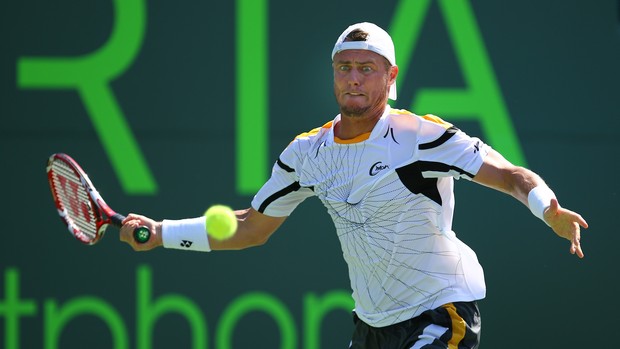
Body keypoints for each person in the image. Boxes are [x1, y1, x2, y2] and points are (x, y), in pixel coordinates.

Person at [120, 22, 588, 349]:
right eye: (345, 68)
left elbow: (509, 176)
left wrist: (548, 209)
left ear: (390, 76)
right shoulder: (307, 153)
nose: (354, 79)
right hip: (371, 327)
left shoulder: (419, 137)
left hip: (441, 312)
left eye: (367, 68)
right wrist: (160, 232)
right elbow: (249, 228)